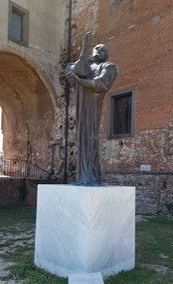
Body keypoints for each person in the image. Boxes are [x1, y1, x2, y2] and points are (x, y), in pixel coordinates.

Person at [64, 32, 117, 185]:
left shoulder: (108, 67)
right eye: (96, 48)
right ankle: (84, 177)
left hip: (93, 104)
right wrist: (85, 49)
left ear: (106, 55)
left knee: (89, 137)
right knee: (82, 138)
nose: (98, 50)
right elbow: (76, 70)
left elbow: (100, 84)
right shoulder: (88, 64)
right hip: (82, 103)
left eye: (102, 49)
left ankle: (89, 177)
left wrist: (79, 81)